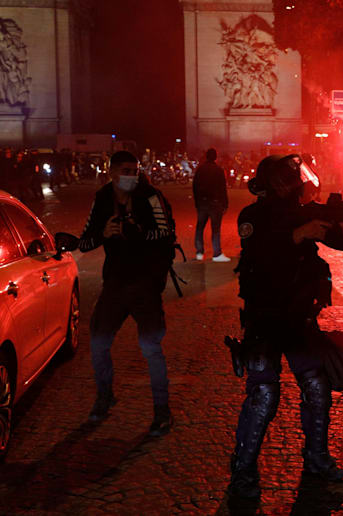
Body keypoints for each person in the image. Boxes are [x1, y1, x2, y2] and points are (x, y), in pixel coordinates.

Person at [228, 154, 343, 499]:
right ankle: (243, 470)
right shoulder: (252, 216)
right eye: (293, 180)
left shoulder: (303, 213)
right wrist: (298, 235)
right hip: (264, 318)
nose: (300, 185)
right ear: (280, 183)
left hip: (299, 317)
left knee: (317, 386)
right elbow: (259, 253)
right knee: (263, 393)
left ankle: (316, 458)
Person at [78, 151, 176, 436]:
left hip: (146, 284)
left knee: (151, 347)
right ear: (111, 172)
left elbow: (166, 233)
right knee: (98, 342)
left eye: (135, 171)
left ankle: (162, 411)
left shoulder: (150, 196)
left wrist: (138, 232)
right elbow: (84, 242)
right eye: (125, 171)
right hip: (115, 283)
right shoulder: (102, 198)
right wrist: (104, 234)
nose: (131, 176)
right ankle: (104, 396)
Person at [193, 148, 230, 262]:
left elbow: (195, 187)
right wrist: (225, 204)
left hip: (202, 203)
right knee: (215, 229)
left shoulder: (200, 170)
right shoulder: (218, 170)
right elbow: (223, 188)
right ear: (215, 157)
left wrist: (197, 202)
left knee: (200, 228)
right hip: (215, 203)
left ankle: (199, 252)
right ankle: (217, 253)